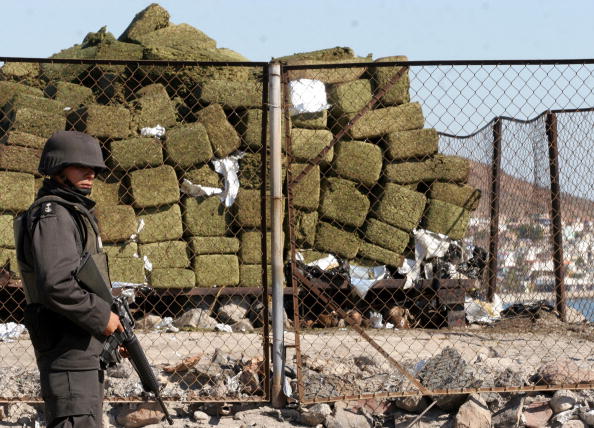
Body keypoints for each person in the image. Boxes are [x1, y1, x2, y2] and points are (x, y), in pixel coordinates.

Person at [15, 130, 122, 428]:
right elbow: (57, 284)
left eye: (95, 169)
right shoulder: (55, 215)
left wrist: (110, 325)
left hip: (79, 344)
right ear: (58, 169)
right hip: (67, 347)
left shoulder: (71, 211)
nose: (91, 174)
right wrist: (104, 318)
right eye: (81, 167)